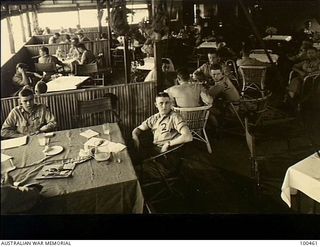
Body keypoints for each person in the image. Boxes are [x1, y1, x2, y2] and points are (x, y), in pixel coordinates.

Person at [132, 92, 192, 178]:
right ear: (156, 105)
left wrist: (168, 144)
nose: (164, 106)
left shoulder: (175, 117)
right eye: (161, 103)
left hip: (166, 158)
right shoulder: (155, 117)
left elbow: (188, 136)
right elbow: (138, 129)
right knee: (128, 157)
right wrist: (135, 136)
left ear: (170, 103)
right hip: (155, 152)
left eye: (167, 103)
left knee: (131, 169)